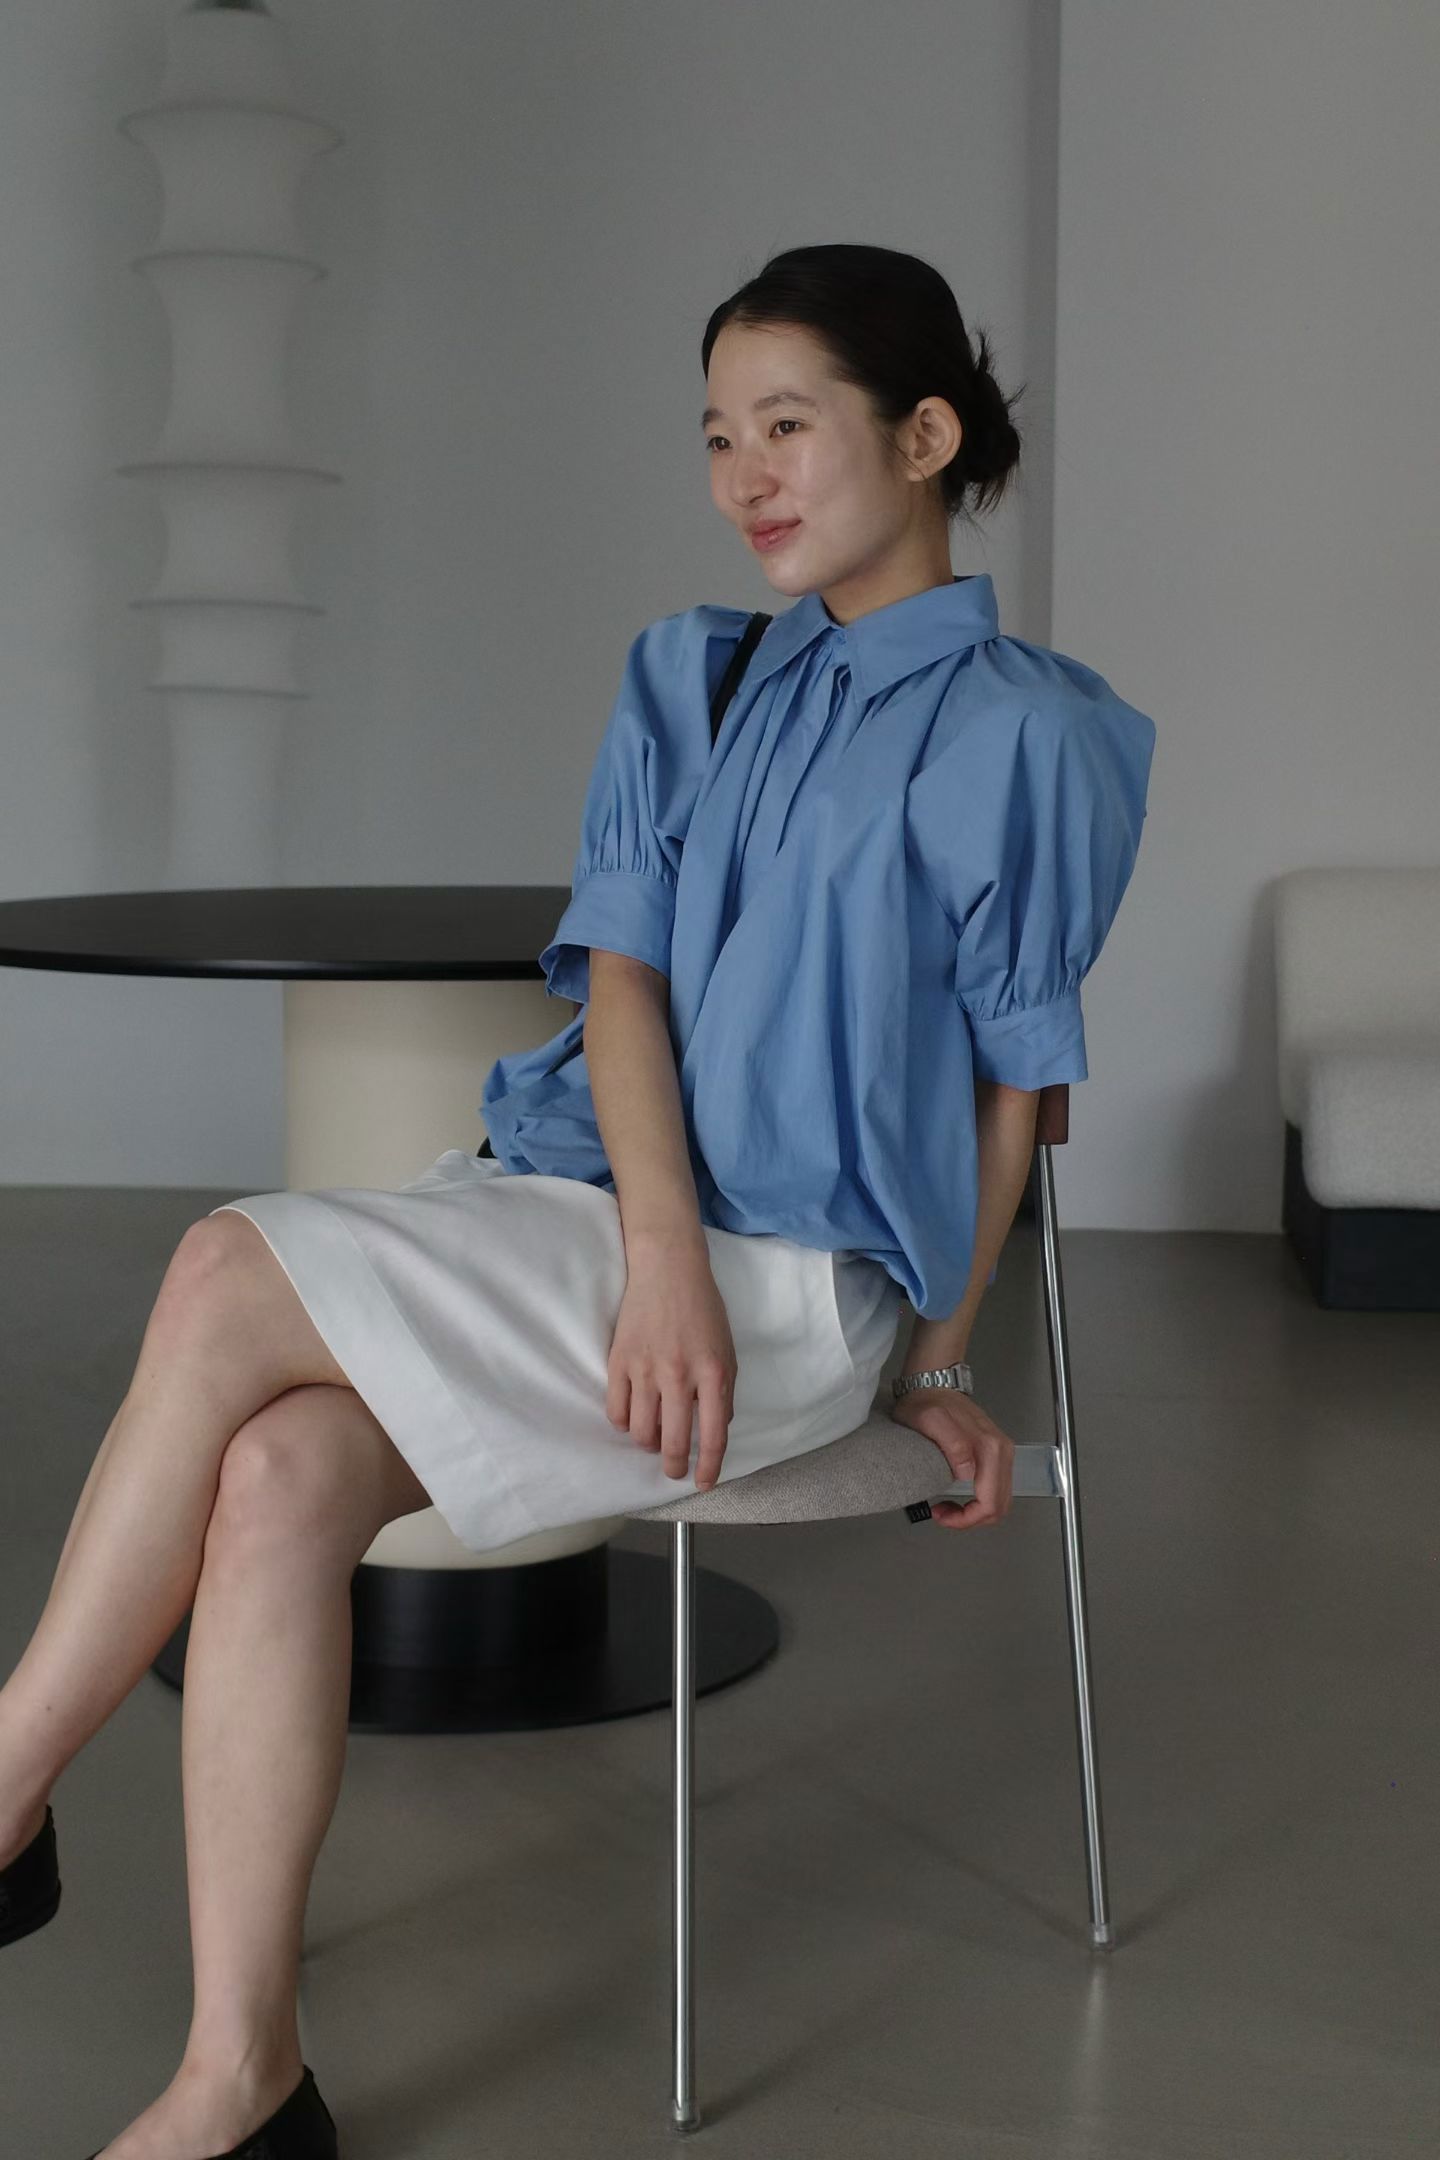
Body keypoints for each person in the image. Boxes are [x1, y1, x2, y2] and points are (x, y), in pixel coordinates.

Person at [0, 242, 1155, 2156]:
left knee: (220, 1267)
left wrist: (942, 1362)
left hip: (794, 1287)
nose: (744, 475)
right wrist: (654, 1251)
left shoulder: (1035, 733)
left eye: (786, 425)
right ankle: (242, 2082)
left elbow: (1011, 1091)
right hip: (599, 1223)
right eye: (716, 435)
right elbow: (621, 983)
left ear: (924, 436)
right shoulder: (692, 674)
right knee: (275, 1477)